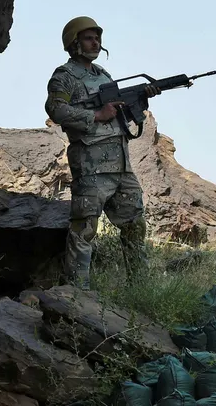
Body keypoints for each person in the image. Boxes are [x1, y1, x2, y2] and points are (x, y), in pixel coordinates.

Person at [44, 16, 160, 289]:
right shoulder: (65, 76)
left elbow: (118, 113)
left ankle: (140, 289)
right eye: (89, 38)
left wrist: (141, 98)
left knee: (135, 225)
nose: (95, 43)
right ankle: (77, 294)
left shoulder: (103, 76)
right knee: (84, 229)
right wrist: (96, 115)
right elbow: (55, 110)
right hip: (91, 165)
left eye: (97, 38)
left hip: (121, 165)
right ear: (74, 43)